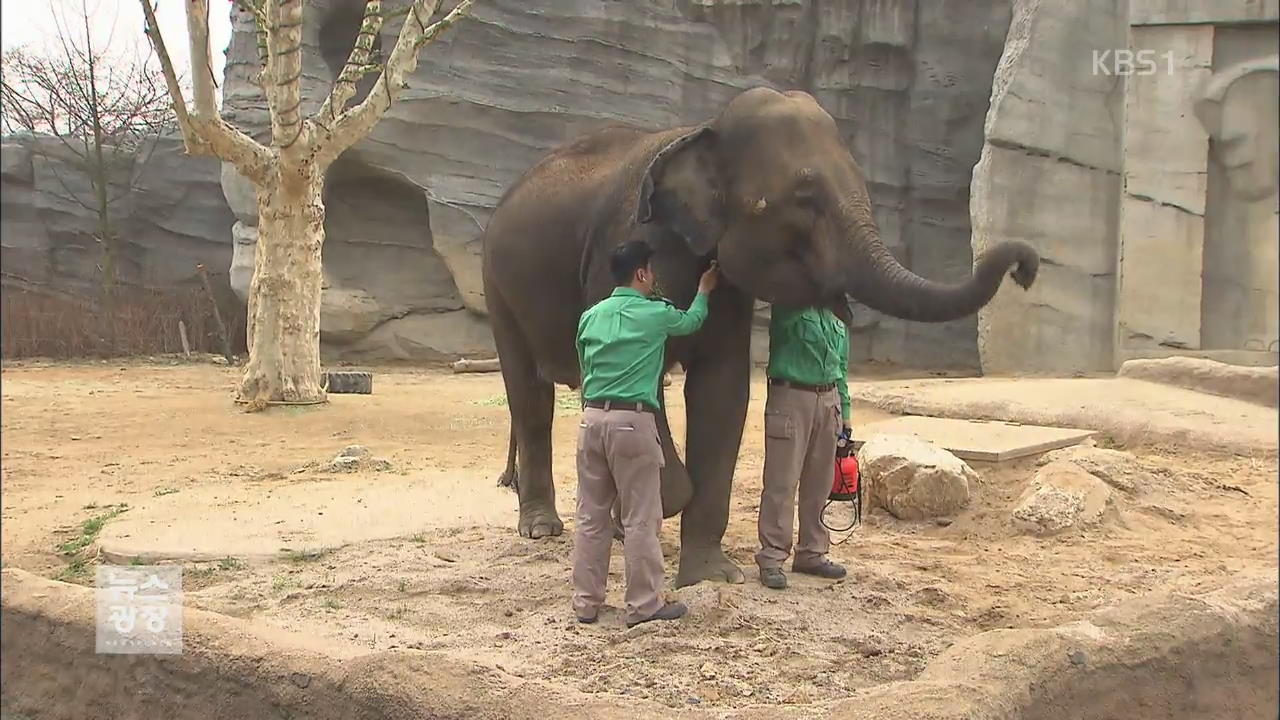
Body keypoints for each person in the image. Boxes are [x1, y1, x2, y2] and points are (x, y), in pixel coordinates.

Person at [572, 240, 720, 627]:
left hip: (591, 421)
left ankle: (586, 603)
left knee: (591, 515)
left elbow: (583, 363)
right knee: (640, 517)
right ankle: (643, 603)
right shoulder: (655, 314)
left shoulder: (591, 316)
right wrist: (704, 290)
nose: (653, 277)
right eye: (651, 271)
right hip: (631, 422)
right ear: (641, 273)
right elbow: (692, 323)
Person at [755, 303, 851, 589]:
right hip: (791, 395)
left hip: (828, 398)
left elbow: (842, 367)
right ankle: (772, 557)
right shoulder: (789, 307)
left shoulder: (837, 315)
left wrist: (845, 414)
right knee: (781, 482)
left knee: (820, 482)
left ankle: (813, 551)